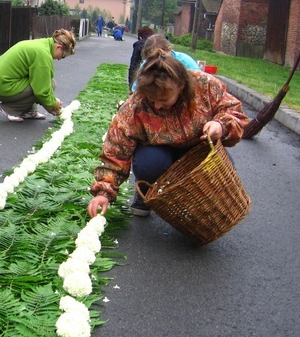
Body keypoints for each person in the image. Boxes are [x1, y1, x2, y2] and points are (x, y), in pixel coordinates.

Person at [86, 49, 248, 218]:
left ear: (181, 86)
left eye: (163, 100)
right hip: (158, 152)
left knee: (218, 170)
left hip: (197, 148)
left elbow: (233, 111)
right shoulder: (134, 107)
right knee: (148, 163)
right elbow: (116, 151)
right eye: (152, 99)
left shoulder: (205, 86)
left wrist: (220, 125)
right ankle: (146, 190)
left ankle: (194, 201)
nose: (156, 106)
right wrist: (103, 193)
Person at [0, 29, 76, 122]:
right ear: (58, 47)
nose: (60, 59)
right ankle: (10, 109)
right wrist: (53, 104)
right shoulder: (42, 54)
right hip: (0, 86)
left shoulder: (41, 44)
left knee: (42, 81)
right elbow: (41, 90)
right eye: (63, 56)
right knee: (50, 84)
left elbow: (36, 79)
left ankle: (29, 111)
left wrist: (48, 104)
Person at [130, 33, 200, 92]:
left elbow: (198, 87)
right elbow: (136, 91)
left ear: (169, 49)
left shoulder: (186, 62)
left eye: (162, 57)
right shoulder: (145, 65)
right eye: (152, 60)